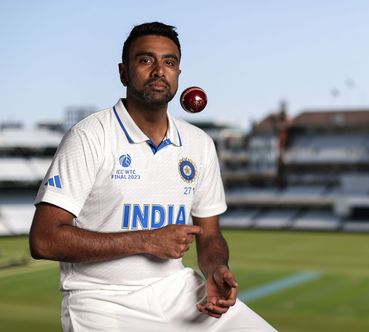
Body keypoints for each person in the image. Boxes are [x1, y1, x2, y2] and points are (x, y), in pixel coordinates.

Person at [29, 22, 276, 332]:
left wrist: (216, 268)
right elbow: (43, 240)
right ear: (123, 72)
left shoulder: (199, 143)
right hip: (102, 301)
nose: (159, 70)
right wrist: (147, 240)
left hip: (180, 291)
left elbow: (209, 233)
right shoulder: (90, 136)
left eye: (169, 62)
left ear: (178, 75)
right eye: (146, 60)